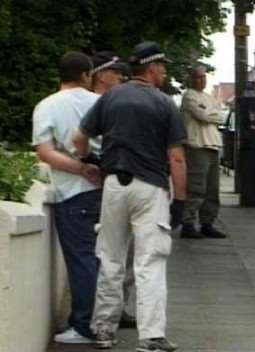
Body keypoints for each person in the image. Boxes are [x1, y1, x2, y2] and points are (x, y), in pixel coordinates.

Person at [73, 41, 186, 351]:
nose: (164, 72)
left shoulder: (110, 98)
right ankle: (150, 336)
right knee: (150, 261)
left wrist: (88, 162)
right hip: (150, 188)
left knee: (110, 257)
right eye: (162, 66)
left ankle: (104, 330)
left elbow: (79, 138)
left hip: (113, 186)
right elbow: (176, 158)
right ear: (151, 68)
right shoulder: (164, 103)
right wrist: (181, 201)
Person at [32, 51, 101, 343]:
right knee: (105, 258)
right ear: (86, 75)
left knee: (82, 259)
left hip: (71, 192)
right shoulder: (101, 103)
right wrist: (95, 169)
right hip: (106, 189)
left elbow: (45, 153)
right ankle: (104, 320)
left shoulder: (46, 106)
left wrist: (81, 169)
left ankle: (84, 325)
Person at [90, 50, 137, 328]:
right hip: (103, 180)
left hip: (116, 180)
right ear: (100, 75)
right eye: (115, 72)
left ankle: (119, 306)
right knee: (112, 250)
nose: (120, 76)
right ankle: (109, 311)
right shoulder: (99, 104)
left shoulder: (115, 102)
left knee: (123, 248)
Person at [179, 65, 226, 239]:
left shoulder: (209, 97)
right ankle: (188, 222)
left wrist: (211, 114)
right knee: (196, 187)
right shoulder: (189, 96)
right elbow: (204, 116)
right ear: (191, 79)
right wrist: (212, 114)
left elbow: (219, 116)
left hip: (213, 145)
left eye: (203, 77)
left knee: (212, 188)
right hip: (197, 145)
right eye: (198, 77)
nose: (201, 80)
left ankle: (208, 222)